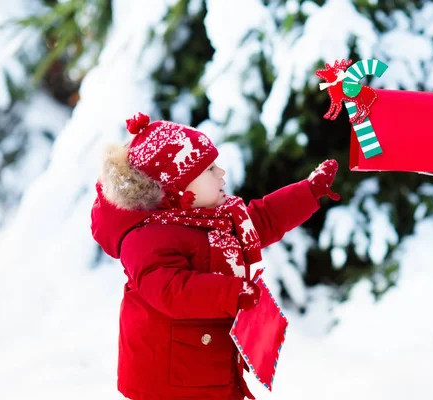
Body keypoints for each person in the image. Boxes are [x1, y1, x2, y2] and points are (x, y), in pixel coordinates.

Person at [90, 112, 340, 399]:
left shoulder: (214, 218)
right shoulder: (145, 239)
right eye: (209, 169)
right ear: (177, 186)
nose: (221, 173)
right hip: (168, 381)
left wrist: (308, 192)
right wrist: (231, 294)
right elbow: (171, 290)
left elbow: (262, 219)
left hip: (205, 367)